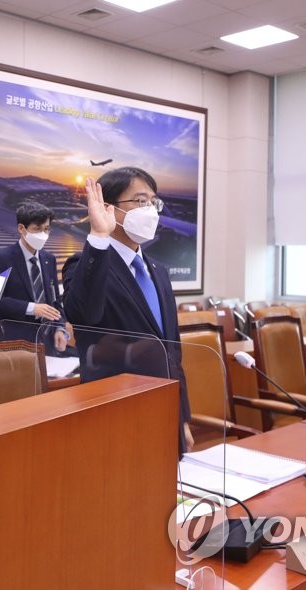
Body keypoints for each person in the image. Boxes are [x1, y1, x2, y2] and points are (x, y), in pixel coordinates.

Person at [62, 167, 193, 452]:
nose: (150, 210)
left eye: (153, 201)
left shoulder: (158, 271)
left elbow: (173, 351)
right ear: (109, 208)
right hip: (116, 410)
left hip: (164, 409)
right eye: (140, 200)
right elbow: (84, 314)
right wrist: (98, 235)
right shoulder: (85, 264)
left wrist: (183, 417)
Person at [0, 202, 69, 354]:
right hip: (14, 342)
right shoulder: (1, 258)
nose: (43, 235)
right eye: (37, 229)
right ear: (21, 229)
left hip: (48, 341)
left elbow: (55, 302)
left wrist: (60, 328)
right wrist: (32, 308)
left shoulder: (49, 259)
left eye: (46, 229)